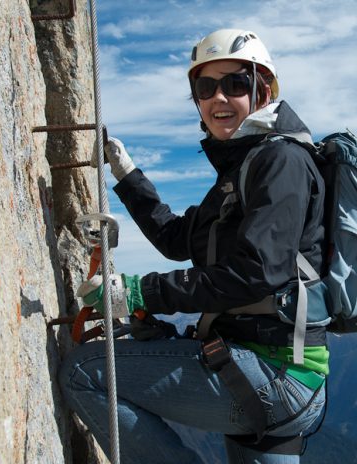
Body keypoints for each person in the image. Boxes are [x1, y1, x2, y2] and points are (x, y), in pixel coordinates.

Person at [59, 29, 329, 464]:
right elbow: (176, 239)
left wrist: (138, 292)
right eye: (206, 87)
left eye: (235, 83)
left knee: (86, 373)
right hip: (270, 369)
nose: (219, 97)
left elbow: (256, 272)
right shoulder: (241, 169)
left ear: (262, 91)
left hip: (273, 373)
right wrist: (127, 175)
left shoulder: (280, 162)